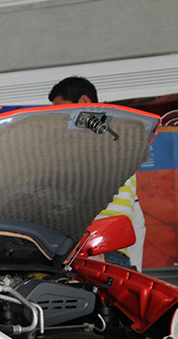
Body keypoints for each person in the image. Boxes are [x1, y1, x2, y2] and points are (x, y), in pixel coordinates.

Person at [49, 76, 146, 270]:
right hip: (103, 248)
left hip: (96, 249)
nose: (60, 117)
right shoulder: (115, 136)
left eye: (62, 109)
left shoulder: (102, 135)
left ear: (85, 102)